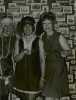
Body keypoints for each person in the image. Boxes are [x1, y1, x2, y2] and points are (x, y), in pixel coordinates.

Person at [36, 12, 70, 100]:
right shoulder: (42, 36)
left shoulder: (59, 36)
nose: (46, 26)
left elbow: (69, 51)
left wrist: (65, 53)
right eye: (44, 24)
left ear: (53, 24)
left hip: (59, 69)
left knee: (55, 95)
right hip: (48, 68)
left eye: (49, 23)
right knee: (48, 96)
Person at [13, 16, 45, 100]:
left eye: (29, 26)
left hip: (34, 77)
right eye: (25, 26)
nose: (27, 28)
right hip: (21, 77)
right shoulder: (18, 41)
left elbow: (42, 61)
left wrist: (42, 78)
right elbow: (15, 59)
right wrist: (22, 52)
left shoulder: (39, 41)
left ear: (33, 27)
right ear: (22, 28)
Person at [0, 17, 15, 100]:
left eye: (9, 25)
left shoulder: (14, 39)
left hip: (7, 71)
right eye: (4, 25)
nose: (6, 28)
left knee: (4, 95)